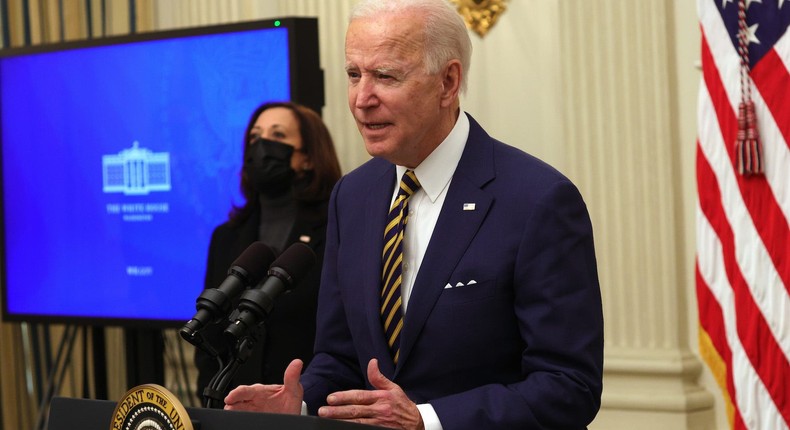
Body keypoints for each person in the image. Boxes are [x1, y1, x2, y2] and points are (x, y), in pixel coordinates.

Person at [224, 0, 604, 428]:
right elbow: (340, 355)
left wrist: (427, 420)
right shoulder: (352, 195)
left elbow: (570, 385)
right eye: (354, 75)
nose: (362, 99)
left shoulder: (538, 200)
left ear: (447, 81)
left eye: (385, 76)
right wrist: (301, 405)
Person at [194, 101, 342, 404]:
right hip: (233, 410)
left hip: (309, 410)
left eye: (277, 136)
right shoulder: (226, 236)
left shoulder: (338, 230)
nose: (262, 146)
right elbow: (210, 337)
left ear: (308, 158)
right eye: (254, 137)